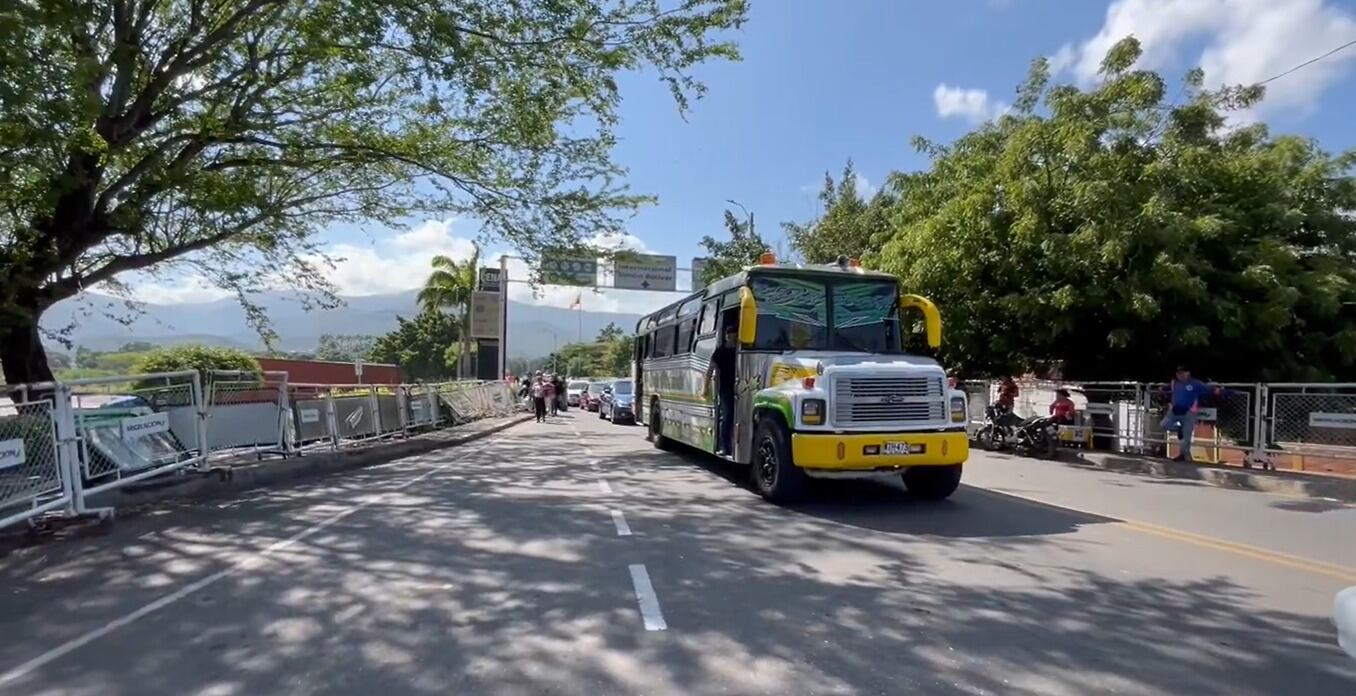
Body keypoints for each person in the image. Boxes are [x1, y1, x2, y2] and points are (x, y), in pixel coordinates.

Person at [1160, 366, 1227, 462]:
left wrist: (1219, 391)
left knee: (1186, 436)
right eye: (1178, 373)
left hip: (1189, 412)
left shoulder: (1195, 383)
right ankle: (1179, 429)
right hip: (1175, 411)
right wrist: (1162, 390)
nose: (1180, 375)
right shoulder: (1174, 383)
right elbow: (1166, 389)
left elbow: (1208, 389)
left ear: (1188, 373)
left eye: (1182, 373)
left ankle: (1183, 455)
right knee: (1164, 424)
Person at [709, 323, 738, 455]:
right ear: (726, 336)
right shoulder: (720, 351)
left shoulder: (739, 351)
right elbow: (711, 368)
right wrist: (705, 387)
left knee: (735, 417)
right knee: (728, 416)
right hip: (725, 388)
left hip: (739, 388)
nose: (731, 338)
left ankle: (732, 445)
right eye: (730, 335)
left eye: (734, 336)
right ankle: (725, 446)